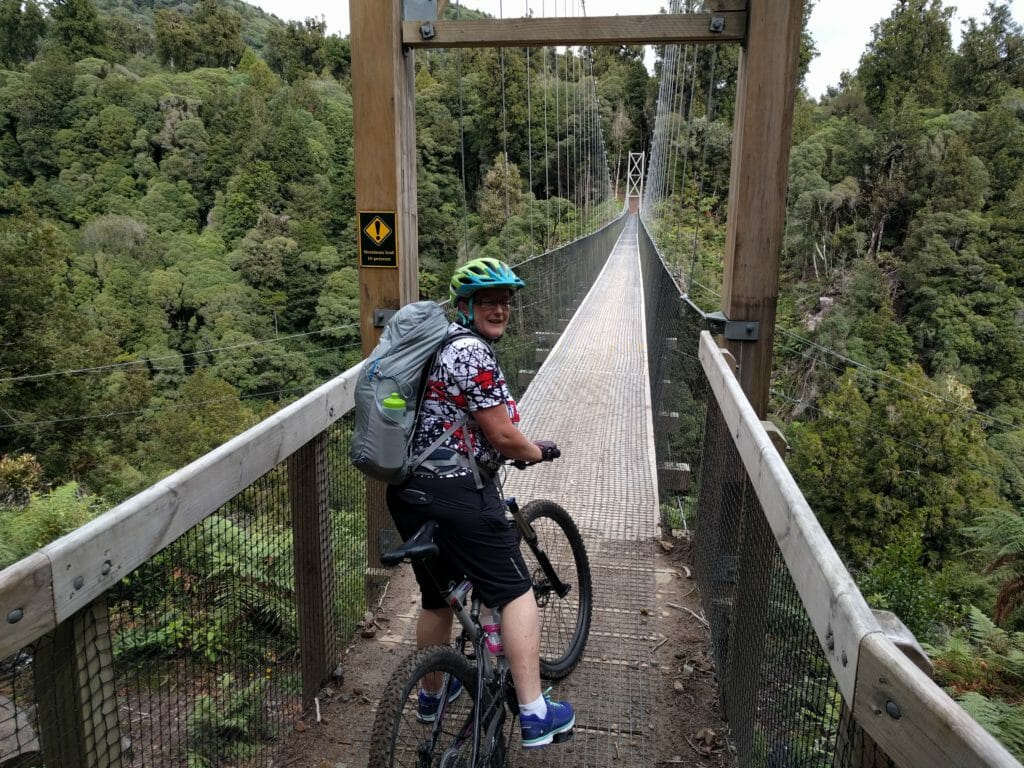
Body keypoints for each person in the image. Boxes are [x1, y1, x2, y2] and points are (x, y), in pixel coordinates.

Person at [385, 257, 575, 749]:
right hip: (458, 495)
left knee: (436, 597)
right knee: (514, 591)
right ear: (465, 306)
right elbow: (503, 435)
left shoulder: (431, 347)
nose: (499, 309)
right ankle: (534, 713)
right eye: (488, 301)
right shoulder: (471, 353)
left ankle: (430, 696)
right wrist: (537, 451)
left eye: (505, 301)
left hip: (409, 493)